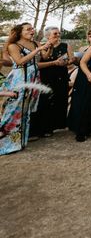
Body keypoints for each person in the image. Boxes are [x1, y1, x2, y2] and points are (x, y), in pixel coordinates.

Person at [0, 23, 53, 154]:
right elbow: (19, 62)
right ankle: (5, 144)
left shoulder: (35, 43)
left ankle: (19, 143)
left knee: (25, 112)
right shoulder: (14, 46)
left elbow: (44, 57)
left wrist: (48, 48)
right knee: (13, 111)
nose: (32, 31)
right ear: (20, 32)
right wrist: (38, 50)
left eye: (32, 28)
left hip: (33, 79)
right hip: (20, 79)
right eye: (28, 29)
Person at [30, 26, 73, 137]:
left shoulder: (66, 45)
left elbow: (71, 60)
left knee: (60, 99)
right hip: (47, 76)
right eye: (55, 34)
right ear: (47, 35)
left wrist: (67, 61)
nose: (58, 35)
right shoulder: (42, 46)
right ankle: (44, 128)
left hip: (61, 75)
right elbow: (38, 63)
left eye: (59, 33)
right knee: (46, 101)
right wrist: (51, 49)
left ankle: (56, 125)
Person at [67, 28, 91, 142]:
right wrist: (74, 60)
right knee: (80, 100)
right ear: (90, 37)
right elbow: (80, 62)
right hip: (83, 76)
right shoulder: (83, 48)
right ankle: (78, 127)